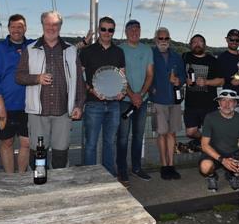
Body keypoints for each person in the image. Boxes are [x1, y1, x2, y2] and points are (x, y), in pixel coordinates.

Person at [16, 11, 85, 169]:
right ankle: (40, 186)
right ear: (42, 25)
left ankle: (58, 188)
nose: (51, 27)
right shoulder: (30, 49)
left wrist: (79, 105)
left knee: (61, 155)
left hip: (63, 112)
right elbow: (19, 76)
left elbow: (80, 82)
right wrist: (37, 78)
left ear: (60, 26)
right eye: (48, 24)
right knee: (38, 154)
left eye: (55, 24)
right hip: (38, 112)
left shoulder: (71, 50)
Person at [0, 14, 35, 173]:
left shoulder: (33, 46)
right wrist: (0, 105)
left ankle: (20, 177)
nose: (16, 30)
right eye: (13, 27)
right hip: (4, 105)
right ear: (8, 28)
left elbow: (56, 47)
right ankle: (9, 178)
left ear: (25, 28)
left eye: (20, 26)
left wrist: (81, 44)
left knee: (26, 143)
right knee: (6, 143)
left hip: (28, 106)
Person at [79, 16, 125, 175]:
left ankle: (110, 177)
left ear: (113, 31)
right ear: (99, 30)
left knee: (109, 143)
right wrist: (91, 90)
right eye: (104, 29)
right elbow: (79, 77)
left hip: (114, 105)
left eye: (110, 30)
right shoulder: (87, 51)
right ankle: (90, 178)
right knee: (91, 143)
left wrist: (122, 92)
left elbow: (122, 77)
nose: (107, 32)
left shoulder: (119, 52)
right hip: (93, 103)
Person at [118, 19, 154, 183]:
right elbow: (119, 75)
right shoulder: (119, 49)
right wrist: (132, 95)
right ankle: (122, 170)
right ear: (126, 32)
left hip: (142, 100)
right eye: (131, 29)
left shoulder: (147, 50)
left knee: (139, 136)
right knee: (123, 137)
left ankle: (137, 167)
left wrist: (140, 95)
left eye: (137, 29)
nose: (135, 32)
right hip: (125, 100)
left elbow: (150, 74)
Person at [149, 27, 185, 180]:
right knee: (161, 133)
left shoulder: (176, 56)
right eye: (160, 38)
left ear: (169, 40)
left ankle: (171, 165)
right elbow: (146, 75)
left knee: (172, 133)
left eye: (166, 39)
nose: (163, 41)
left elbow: (183, 76)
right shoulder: (150, 54)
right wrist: (151, 89)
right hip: (158, 100)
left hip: (174, 100)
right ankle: (164, 166)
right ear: (156, 39)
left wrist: (179, 80)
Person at [199, 89, 239, 192]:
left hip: (233, 153)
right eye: (223, 100)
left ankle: (232, 174)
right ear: (219, 102)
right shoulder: (210, 118)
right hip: (215, 154)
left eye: (231, 101)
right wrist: (222, 160)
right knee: (205, 167)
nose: (226, 104)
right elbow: (204, 145)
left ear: (236, 103)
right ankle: (212, 176)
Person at [183, 34, 224, 148]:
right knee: (190, 132)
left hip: (209, 104)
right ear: (190, 45)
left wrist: (206, 82)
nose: (197, 44)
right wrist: (184, 80)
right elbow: (178, 74)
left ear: (204, 45)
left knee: (211, 133)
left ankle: (211, 157)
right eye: (194, 42)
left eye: (200, 41)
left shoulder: (212, 61)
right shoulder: (185, 57)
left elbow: (221, 81)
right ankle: (201, 140)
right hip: (191, 104)